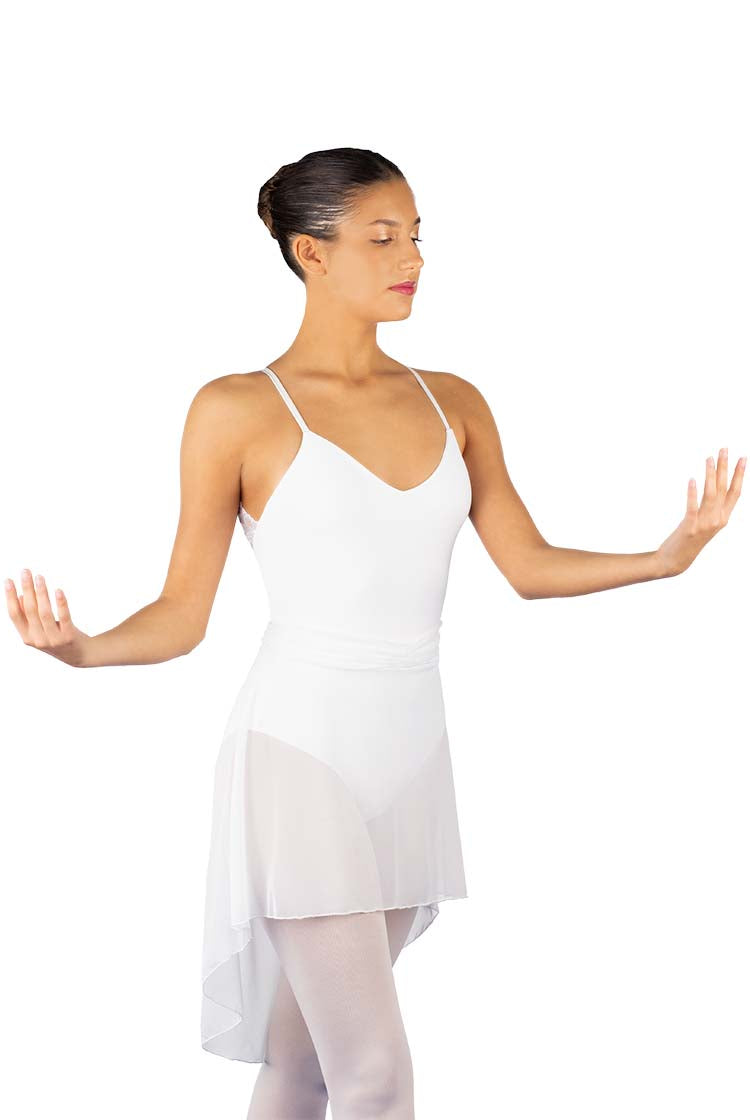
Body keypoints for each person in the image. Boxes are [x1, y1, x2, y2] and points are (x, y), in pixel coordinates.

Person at [5, 146, 744, 1120]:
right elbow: (183, 611)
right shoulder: (236, 408)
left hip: (411, 753)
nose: (413, 258)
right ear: (310, 252)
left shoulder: (454, 400)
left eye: (418, 235)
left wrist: (664, 557)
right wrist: (84, 648)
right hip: (299, 752)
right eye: (384, 237)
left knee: (306, 1065)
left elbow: (527, 564)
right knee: (377, 1078)